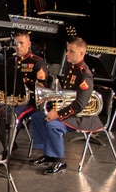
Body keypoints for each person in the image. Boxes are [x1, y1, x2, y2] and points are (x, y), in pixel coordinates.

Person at [29, 37, 100, 175]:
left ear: (81, 54)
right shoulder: (71, 69)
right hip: (70, 111)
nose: (67, 54)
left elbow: (79, 105)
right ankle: (49, 153)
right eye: (67, 50)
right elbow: (65, 96)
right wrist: (55, 108)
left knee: (53, 125)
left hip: (82, 116)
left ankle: (60, 161)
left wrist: (58, 114)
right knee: (38, 117)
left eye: (71, 51)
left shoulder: (85, 75)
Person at [12, 31, 48, 123]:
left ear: (29, 44)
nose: (18, 46)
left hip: (31, 103)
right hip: (12, 100)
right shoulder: (10, 61)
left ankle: (9, 137)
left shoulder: (37, 62)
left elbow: (42, 86)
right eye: (16, 43)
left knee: (13, 114)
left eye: (21, 43)